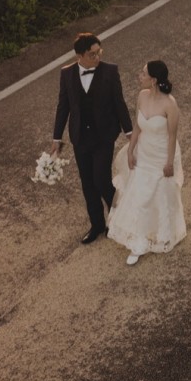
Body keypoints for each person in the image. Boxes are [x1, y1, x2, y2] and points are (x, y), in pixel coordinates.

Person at [51, 33, 132, 245]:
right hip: (80, 137)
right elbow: (63, 107)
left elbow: (119, 103)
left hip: (104, 135)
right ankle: (97, 225)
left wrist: (130, 133)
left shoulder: (110, 71)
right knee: (87, 183)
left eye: (99, 53)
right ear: (79, 55)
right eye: (91, 54)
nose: (97, 58)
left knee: (101, 179)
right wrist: (56, 137)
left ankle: (121, 216)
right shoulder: (66, 74)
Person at [108, 60, 185, 265]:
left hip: (161, 156)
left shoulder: (170, 104)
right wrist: (130, 150)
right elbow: (138, 126)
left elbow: (172, 136)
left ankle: (160, 233)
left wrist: (169, 163)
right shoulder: (142, 96)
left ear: (154, 80)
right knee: (141, 197)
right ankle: (140, 241)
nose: (139, 76)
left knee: (159, 197)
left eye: (143, 74)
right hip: (143, 153)